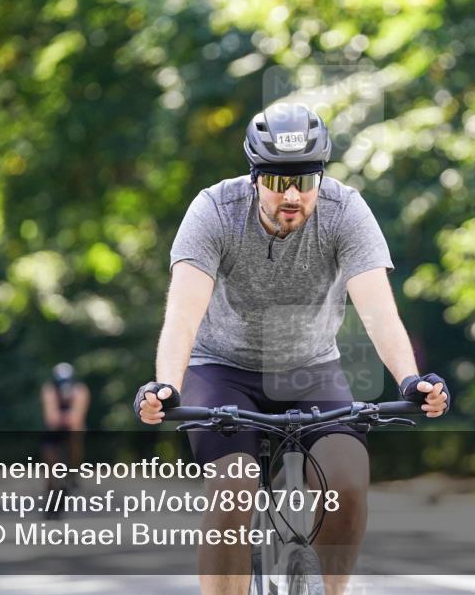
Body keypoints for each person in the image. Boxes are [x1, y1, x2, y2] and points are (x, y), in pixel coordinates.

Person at [134, 102, 450, 595]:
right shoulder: (214, 210)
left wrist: (411, 379)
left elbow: (378, 309)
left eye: (305, 180)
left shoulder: (345, 212)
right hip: (221, 369)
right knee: (233, 487)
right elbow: (183, 313)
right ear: (255, 177)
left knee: (347, 482)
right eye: (279, 181)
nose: (293, 195)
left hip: (311, 368)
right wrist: (167, 387)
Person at [40, 362, 89, 518]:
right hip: (53, 434)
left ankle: (74, 470)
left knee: (77, 433)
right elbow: (51, 419)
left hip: (71, 433)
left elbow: (77, 419)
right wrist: (66, 418)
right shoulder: (49, 390)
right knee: (51, 467)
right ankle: (51, 497)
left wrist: (68, 418)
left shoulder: (80, 390)